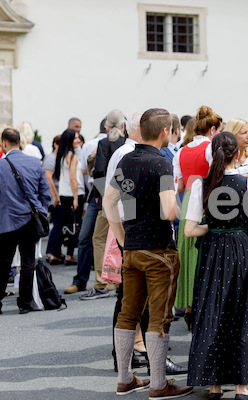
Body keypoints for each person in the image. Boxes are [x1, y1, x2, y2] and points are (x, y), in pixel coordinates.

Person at [104, 108, 192, 398]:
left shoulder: (126, 159)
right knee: (159, 317)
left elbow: (109, 202)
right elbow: (168, 210)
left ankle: (125, 378)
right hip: (158, 249)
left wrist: (121, 237)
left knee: (128, 314)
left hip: (132, 248)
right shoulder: (161, 164)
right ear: (165, 131)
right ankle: (158, 384)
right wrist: (183, 210)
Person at [185, 132, 248, 400]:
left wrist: (213, 226)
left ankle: (214, 385)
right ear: (239, 155)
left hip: (212, 251)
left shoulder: (202, 184)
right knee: (241, 314)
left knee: (211, 312)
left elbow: (189, 231)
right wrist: (239, 225)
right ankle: (241, 386)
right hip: (241, 249)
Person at [173, 106, 223, 326]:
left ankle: (190, 306)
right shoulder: (211, 148)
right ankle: (204, 306)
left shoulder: (181, 151)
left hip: (187, 205)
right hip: (205, 202)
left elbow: (180, 185)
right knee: (206, 255)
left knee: (188, 255)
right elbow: (216, 178)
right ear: (213, 129)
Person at [0, 128, 51, 314]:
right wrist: (41, 210)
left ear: (4, 143)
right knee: (28, 261)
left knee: (4, 263)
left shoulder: (1, 165)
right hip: (30, 219)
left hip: (6, 221)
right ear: (19, 142)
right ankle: (25, 303)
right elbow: (46, 194)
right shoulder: (34, 163)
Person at [79, 109, 127, 300]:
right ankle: (122, 278)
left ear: (106, 126)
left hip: (109, 198)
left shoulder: (104, 143)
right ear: (123, 126)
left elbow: (99, 171)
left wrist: (99, 198)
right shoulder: (127, 143)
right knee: (124, 238)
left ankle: (101, 281)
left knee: (99, 238)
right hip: (128, 197)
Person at [64, 118, 107, 294]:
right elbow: (85, 171)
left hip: (106, 195)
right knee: (86, 237)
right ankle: (82, 280)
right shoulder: (93, 145)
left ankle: (109, 280)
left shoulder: (119, 144)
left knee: (103, 239)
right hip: (96, 195)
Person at [55, 128, 84, 265]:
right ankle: (69, 255)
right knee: (74, 225)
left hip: (64, 195)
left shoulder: (62, 155)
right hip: (73, 194)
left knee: (67, 224)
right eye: (75, 138)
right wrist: (76, 197)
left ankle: (62, 252)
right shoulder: (73, 156)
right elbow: (73, 178)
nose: (78, 140)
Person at [44, 135, 65, 264]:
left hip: (59, 197)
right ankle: (51, 252)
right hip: (54, 198)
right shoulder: (50, 159)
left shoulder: (59, 158)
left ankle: (55, 252)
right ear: (55, 144)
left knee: (60, 225)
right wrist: (55, 196)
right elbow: (48, 178)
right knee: (58, 224)